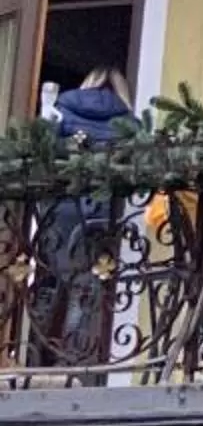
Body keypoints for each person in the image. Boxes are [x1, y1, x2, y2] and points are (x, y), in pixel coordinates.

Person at [36, 67, 139, 368]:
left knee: (51, 281)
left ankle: (24, 352)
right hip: (98, 215)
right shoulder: (129, 123)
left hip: (60, 212)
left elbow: (43, 151)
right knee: (84, 288)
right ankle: (71, 361)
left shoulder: (62, 111)